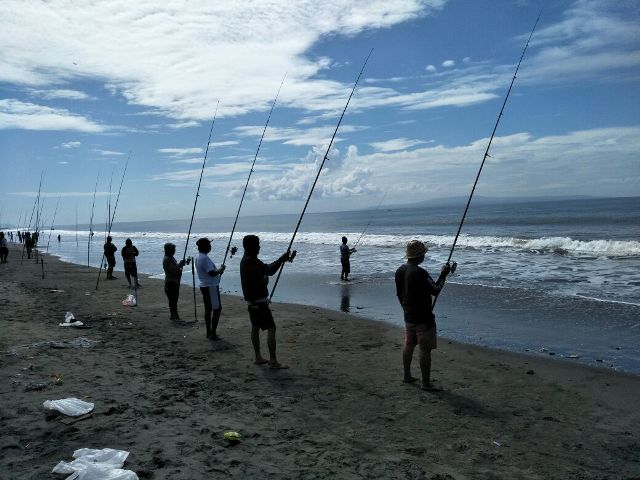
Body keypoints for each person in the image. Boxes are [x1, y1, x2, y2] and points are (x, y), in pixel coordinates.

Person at [395, 240, 451, 392]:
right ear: (419, 256)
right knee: (425, 350)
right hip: (423, 319)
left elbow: (399, 294)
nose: (424, 256)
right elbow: (436, 289)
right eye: (423, 254)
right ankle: (426, 383)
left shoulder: (400, 270)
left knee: (409, 345)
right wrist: (443, 275)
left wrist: (406, 309)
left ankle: (407, 375)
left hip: (408, 316)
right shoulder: (420, 273)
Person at [240, 235, 295, 369]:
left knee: (255, 327)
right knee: (271, 328)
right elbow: (269, 270)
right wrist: (281, 259)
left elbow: (266, 272)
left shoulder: (246, 261)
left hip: (252, 303)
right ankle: (273, 361)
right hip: (259, 304)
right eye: (257, 245)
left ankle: (258, 357)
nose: (259, 247)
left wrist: (281, 261)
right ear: (252, 246)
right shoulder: (251, 261)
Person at [194, 238, 226, 340]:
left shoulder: (198, 257)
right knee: (216, 309)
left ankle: (209, 332)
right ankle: (212, 333)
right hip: (210, 287)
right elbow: (211, 273)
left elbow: (210, 271)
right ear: (205, 246)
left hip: (204, 285)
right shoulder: (204, 258)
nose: (210, 247)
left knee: (208, 309)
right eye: (209, 245)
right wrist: (220, 270)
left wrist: (219, 271)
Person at [162, 243, 188, 321]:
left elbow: (176, 268)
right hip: (171, 283)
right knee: (173, 300)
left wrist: (183, 263)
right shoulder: (167, 259)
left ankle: (175, 315)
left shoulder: (171, 258)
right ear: (167, 250)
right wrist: (180, 265)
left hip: (174, 282)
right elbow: (172, 270)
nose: (174, 251)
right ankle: (173, 316)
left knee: (174, 300)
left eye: (174, 249)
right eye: (172, 249)